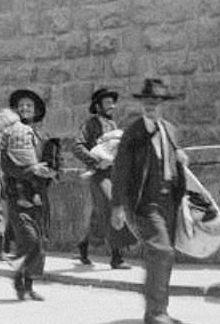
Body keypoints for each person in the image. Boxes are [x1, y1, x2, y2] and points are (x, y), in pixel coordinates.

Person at [110, 78, 189, 324]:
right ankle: (155, 313)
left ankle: (159, 310)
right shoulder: (133, 133)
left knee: (165, 255)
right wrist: (117, 206)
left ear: (163, 104)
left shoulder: (170, 129)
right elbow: (120, 169)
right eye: (146, 102)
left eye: (155, 102)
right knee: (161, 251)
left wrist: (180, 159)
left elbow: (173, 162)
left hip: (169, 201)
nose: (150, 106)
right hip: (145, 203)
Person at [0, 89, 56, 301]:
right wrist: (30, 170)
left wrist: (50, 172)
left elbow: (52, 164)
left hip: (39, 195)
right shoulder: (11, 135)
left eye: (29, 106)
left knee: (38, 242)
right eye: (21, 105)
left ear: (36, 111)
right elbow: (7, 165)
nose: (24, 108)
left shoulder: (43, 137)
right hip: (18, 195)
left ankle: (27, 284)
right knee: (29, 239)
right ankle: (19, 274)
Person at [72, 87, 132, 269]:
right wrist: (96, 161)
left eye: (113, 102)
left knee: (100, 217)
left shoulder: (114, 126)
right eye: (107, 103)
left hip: (114, 175)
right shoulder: (90, 124)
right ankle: (117, 257)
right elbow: (77, 146)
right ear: (98, 106)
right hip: (98, 175)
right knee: (113, 206)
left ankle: (84, 245)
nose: (112, 106)